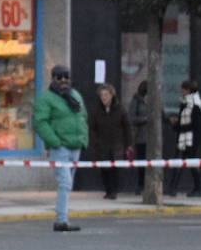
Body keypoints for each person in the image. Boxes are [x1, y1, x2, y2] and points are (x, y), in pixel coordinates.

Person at [33, 64, 88, 233]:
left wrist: (84, 139)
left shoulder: (75, 95)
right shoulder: (45, 98)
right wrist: (54, 141)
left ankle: (61, 219)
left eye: (66, 76)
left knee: (67, 184)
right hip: (61, 146)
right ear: (52, 79)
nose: (63, 80)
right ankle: (61, 220)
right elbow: (40, 122)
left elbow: (83, 117)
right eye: (59, 77)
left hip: (75, 145)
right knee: (65, 183)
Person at [87, 83, 131, 200]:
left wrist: (128, 143)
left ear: (112, 95)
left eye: (106, 94)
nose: (104, 97)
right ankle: (108, 190)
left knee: (115, 169)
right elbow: (92, 127)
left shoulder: (120, 109)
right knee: (104, 169)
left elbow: (127, 127)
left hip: (116, 144)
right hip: (102, 144)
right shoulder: (96, 110)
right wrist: (95, 141)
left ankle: (114, 191)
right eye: (101, 95)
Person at [166, 79, 201, 197]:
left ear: (188, 90)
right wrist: (176, 125)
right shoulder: (185, 103)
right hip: (184, 137)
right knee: (181, 161)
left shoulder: (195, 104)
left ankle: (194, 188)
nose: (181, 91)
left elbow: (195, 124)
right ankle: (173, 187)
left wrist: (178, 127)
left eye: (183, 89)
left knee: (187, 161)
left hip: (191, 138)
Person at [129, 79, 150, 194]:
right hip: (141, 137)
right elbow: (131, 118)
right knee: (141, 162)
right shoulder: (136, 101)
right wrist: (145, 119)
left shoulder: (153, 101)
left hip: (153, 139)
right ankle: (140, 185)